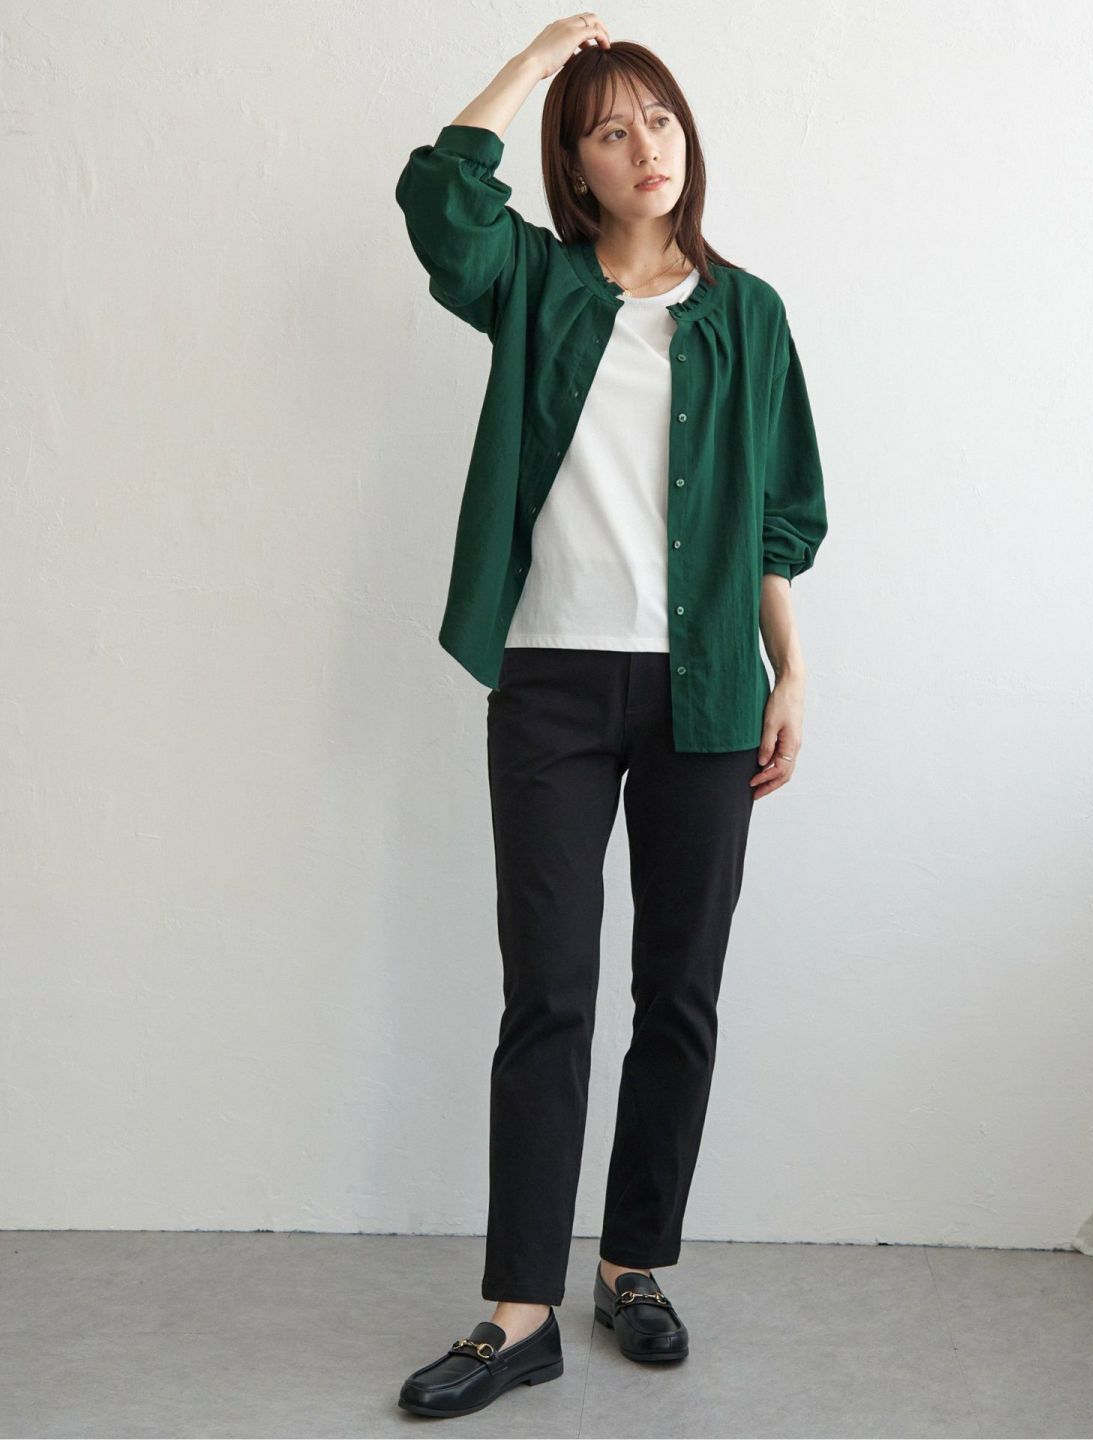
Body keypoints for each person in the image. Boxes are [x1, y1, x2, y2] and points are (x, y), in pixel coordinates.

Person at [393, 13, 828, 1419]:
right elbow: (439, 202)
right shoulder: (533, 284)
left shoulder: (749, 314)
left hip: (708, 689)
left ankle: (634, 1265)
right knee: (550, 995)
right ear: (573, 166)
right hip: (553, 685)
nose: (648, 146)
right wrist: (535, 65)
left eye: (661, 119)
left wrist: (790, 670)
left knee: (679, 992)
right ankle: (517, 1311)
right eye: (610, 129)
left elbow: (778, 517)